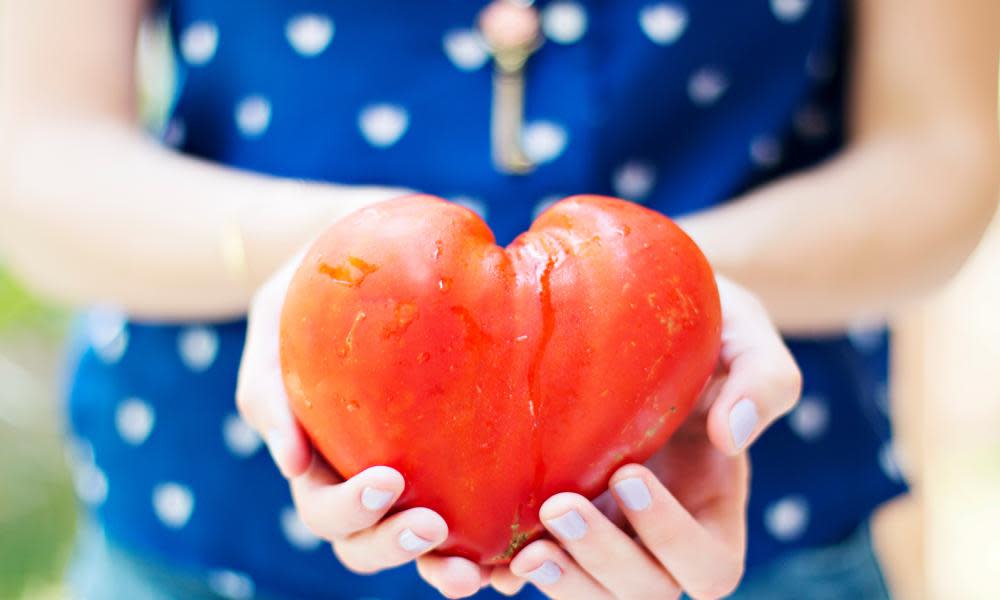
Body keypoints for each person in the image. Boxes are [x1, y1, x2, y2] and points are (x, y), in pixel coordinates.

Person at [0, 0, 995, 598]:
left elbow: (944, 158)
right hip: (208, 549)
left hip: (740, 531)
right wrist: (318, 265)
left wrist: (676, 295)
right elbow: (37, 162)